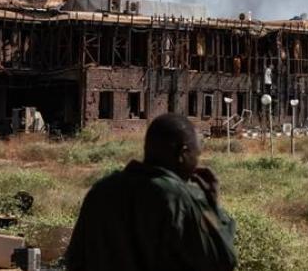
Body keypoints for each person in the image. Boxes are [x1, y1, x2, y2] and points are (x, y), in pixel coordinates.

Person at [65, 114, 237, 271]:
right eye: (196, 155)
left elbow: (75, 259)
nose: (197, 162)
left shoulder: (100, 191)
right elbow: (222, 260)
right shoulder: (178, 198)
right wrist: (212, 206)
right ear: (182, 154)